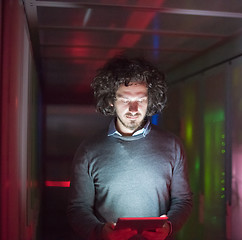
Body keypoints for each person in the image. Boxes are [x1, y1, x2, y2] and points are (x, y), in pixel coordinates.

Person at [67, 56, 193, 240]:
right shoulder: (89, 150)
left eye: (141, 100)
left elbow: (183, 201)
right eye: (125, 100)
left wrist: (169, 227)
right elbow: (78, 208)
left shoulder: (173, 146)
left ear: (150, 100)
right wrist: (100, 232)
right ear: (111, 100)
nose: (134, 108)